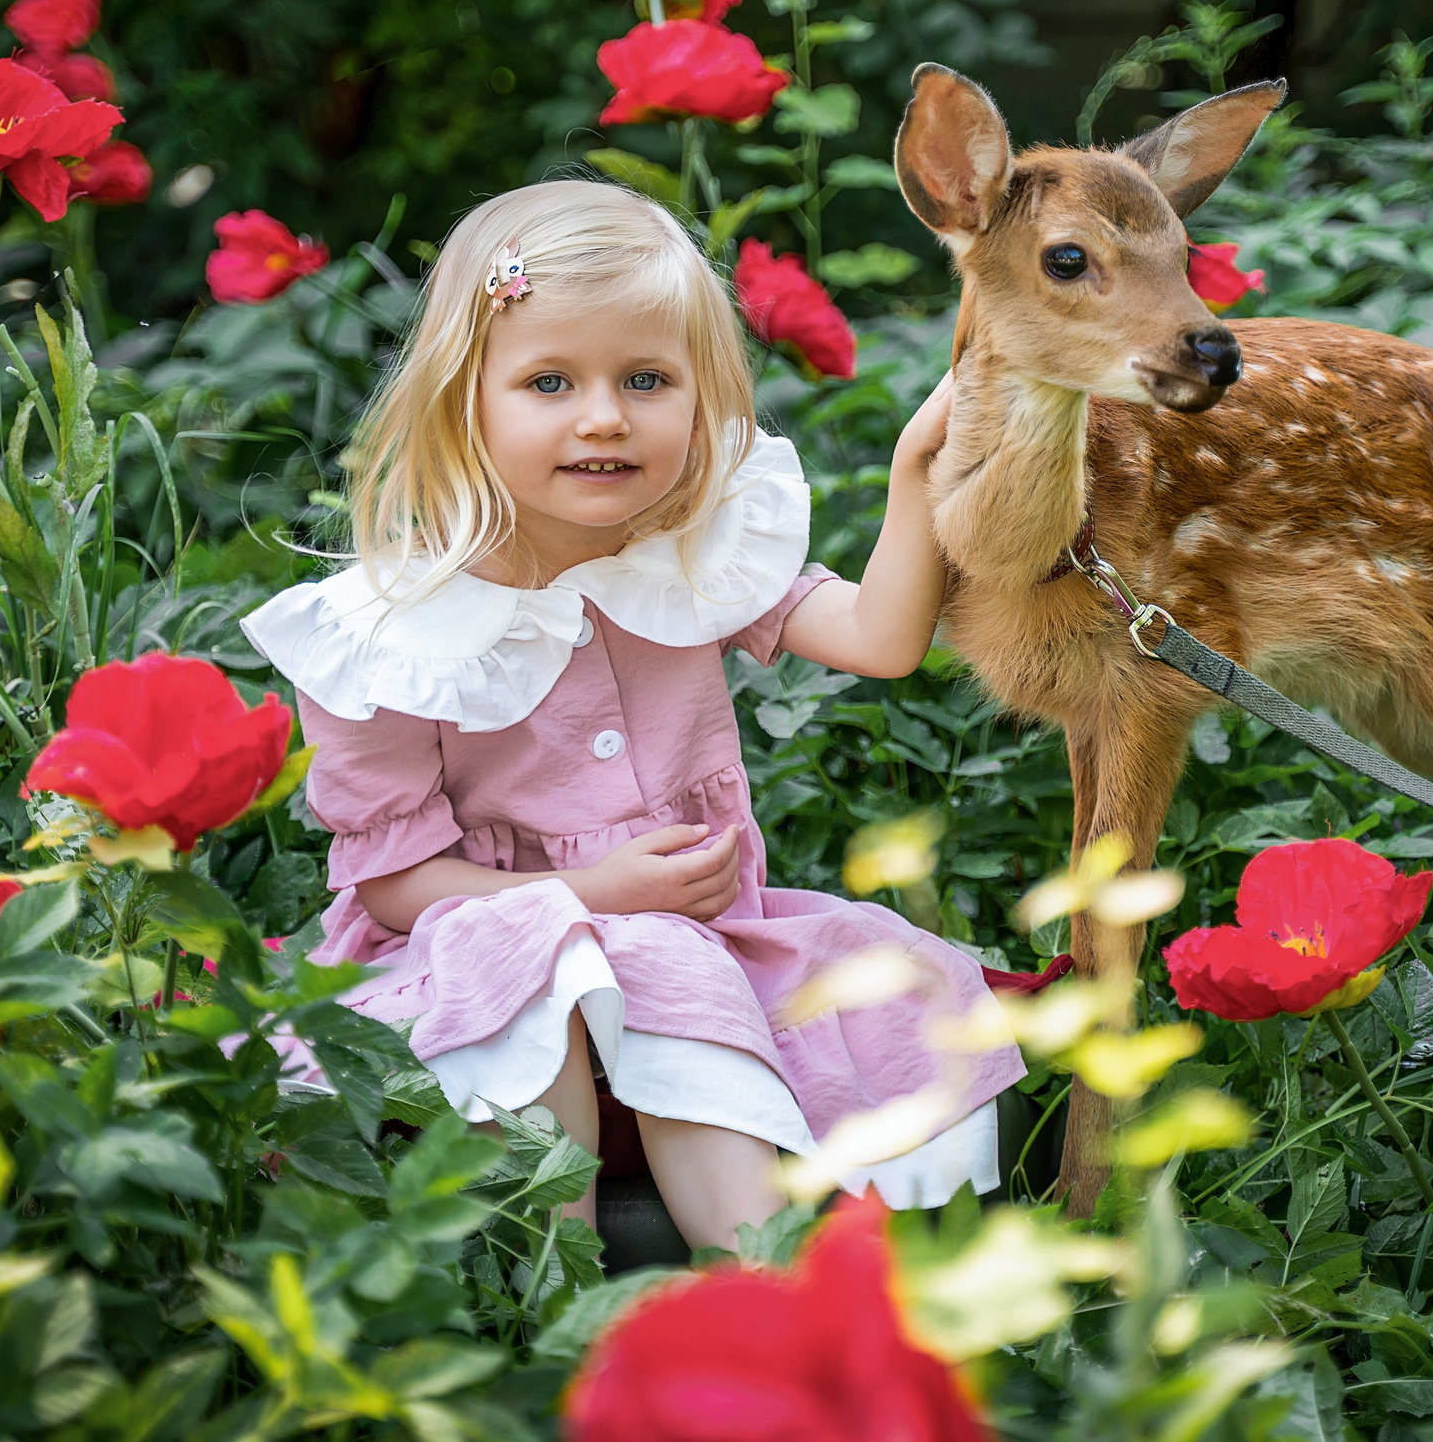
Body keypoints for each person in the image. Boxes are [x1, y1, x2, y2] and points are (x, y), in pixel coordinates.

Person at [242, 178, 1024, 1255]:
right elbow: (392, 884)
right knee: (546, 952)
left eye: (646, 379)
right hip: (461, 960)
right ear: (462, 400)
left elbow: (880, 641)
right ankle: (548, 1274)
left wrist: (915, 474)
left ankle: (764, 1289)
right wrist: (584, 894)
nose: (603, 415)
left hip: (694, 941)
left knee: (712, 962)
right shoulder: (393, 632)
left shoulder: (687, 559)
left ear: (699, 399)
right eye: (549, 380)